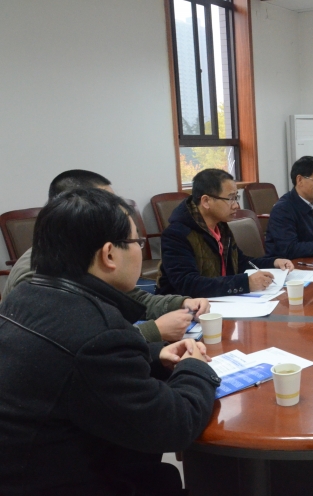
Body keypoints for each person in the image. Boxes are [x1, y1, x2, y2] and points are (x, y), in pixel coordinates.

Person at [0, 188, 219, 495]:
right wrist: (195, 367)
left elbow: (73, 367)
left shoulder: (24, 296)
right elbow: (174, 426)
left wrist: (154, 354)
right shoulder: (96, 333)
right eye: (137, 242)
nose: (140, 250)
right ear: (109, 254)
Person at [2, 169, 210, 343]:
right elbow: (74, 342)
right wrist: (152, 331)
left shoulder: (87, 254)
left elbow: (131, 299)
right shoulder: (38, 273)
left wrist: (180, 303)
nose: (116, 210)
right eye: (105, 202)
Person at [157, 168, 293, 298]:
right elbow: (188, 284)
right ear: (206, 201)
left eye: (236, 197)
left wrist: (274, 262)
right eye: (231, 199)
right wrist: (244, 283)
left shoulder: (221, 226)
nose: (236, 205)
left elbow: (239, 262)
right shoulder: (177, 234)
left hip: (220, 301)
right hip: (183, 308)